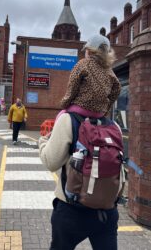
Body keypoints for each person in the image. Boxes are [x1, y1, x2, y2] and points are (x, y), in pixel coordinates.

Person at [39, 35, 121, 250]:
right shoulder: (113, 127)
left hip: (71, 210)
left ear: (88, 52)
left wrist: (42, 141)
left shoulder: (69, 119)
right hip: (106, 212)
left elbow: (51, 162)